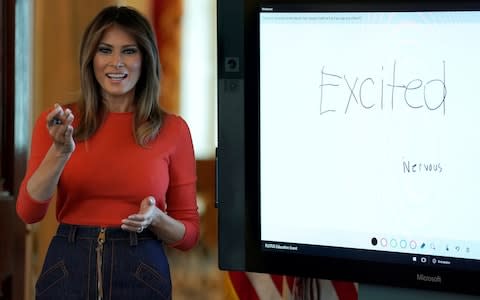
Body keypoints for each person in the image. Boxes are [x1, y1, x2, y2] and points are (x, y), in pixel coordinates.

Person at [16, 5, 199, 299]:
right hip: (66, 268)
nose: (116, 62)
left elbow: (188, 235)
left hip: (142, 269)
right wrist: (60, 152)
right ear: (91, 58)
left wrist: (156, 219)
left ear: (146, 58)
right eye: (105, 50)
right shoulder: (60, 122)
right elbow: (28, 211)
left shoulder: (174, 130)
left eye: (129, 51)